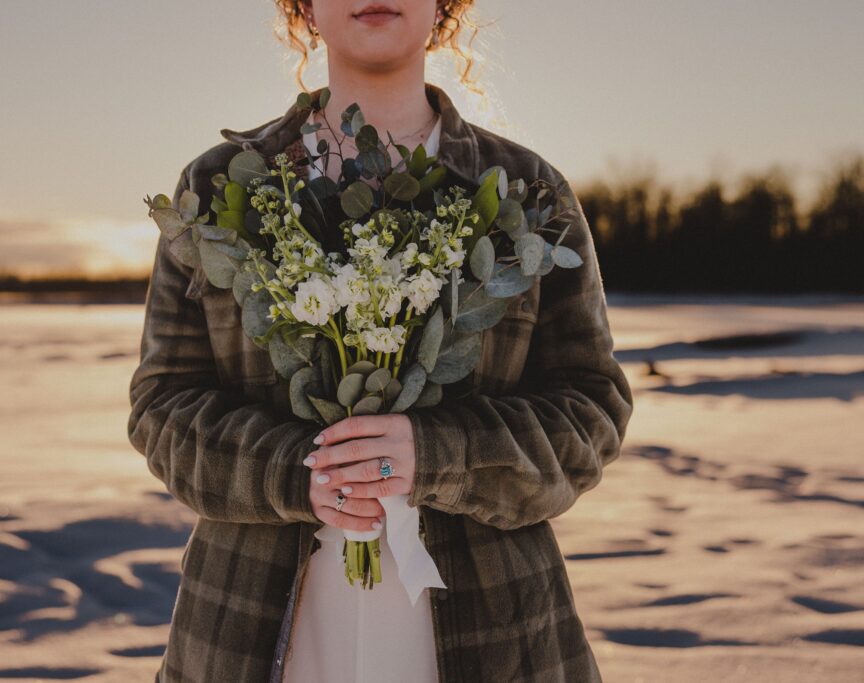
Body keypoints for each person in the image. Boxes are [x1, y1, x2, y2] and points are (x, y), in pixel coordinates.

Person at [127, 1, 635, 682]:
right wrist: (299, 470)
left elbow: (590, 412)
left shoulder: (527, 194)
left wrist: (437, 454)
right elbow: (162, 409)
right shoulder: (220, 190)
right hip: (249, 633)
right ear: (303, 5)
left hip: (493, 635)